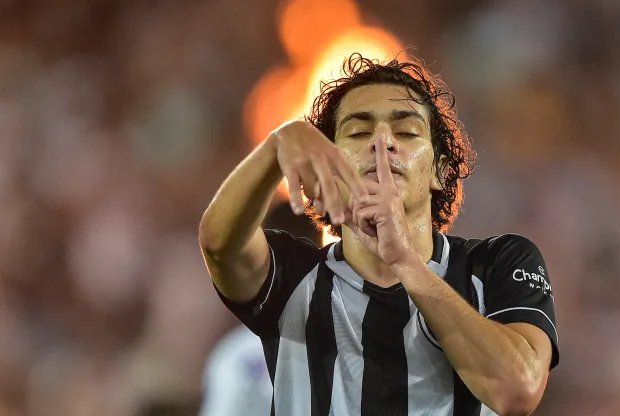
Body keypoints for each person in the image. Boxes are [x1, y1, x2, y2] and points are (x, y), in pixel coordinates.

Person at [199, 53, 559, 416]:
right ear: (328, 166)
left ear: (441, 171)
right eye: (358, 132)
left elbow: (518, 390)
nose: (382, 142)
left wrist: (405, 261)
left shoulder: (498, 263)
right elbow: (218, 244)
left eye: (406, 132)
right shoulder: (292, 279)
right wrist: (276, 148)